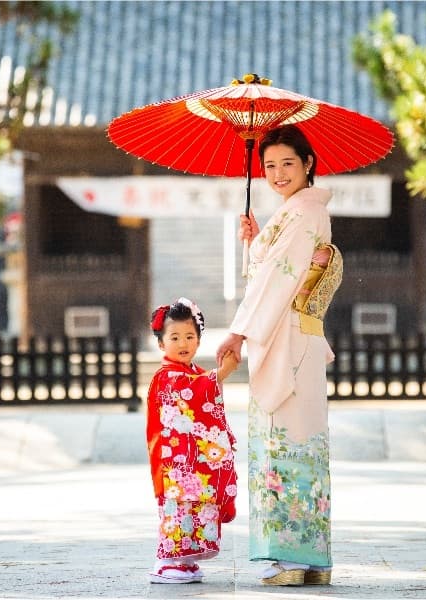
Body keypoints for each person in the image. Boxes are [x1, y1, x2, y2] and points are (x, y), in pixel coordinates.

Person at [216, 124, 343, 586]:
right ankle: (314, 560)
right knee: (301, 438)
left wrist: (237, 332)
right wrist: (255, 241)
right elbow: (272, 271)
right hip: (292, 335)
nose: (277, 173)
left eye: (287, 163)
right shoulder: (294, 214)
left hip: (286, 336)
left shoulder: (304, 213)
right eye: (268, 166)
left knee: (284, 438)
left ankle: (290, 559)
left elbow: (277, 281)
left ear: (308, 163)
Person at [146, 297, 240, 584]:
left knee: (194, 508)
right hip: (176, 465)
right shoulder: (168, 377)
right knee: (178, 508)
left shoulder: (194, 373)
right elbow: (194, 392)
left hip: (193, 464)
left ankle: (184, 561)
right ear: (161, 344)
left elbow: (202, 398)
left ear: (199, 341)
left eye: (189, 336)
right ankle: (167, 561)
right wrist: (222, 374)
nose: (183, 342)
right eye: (174, 337)